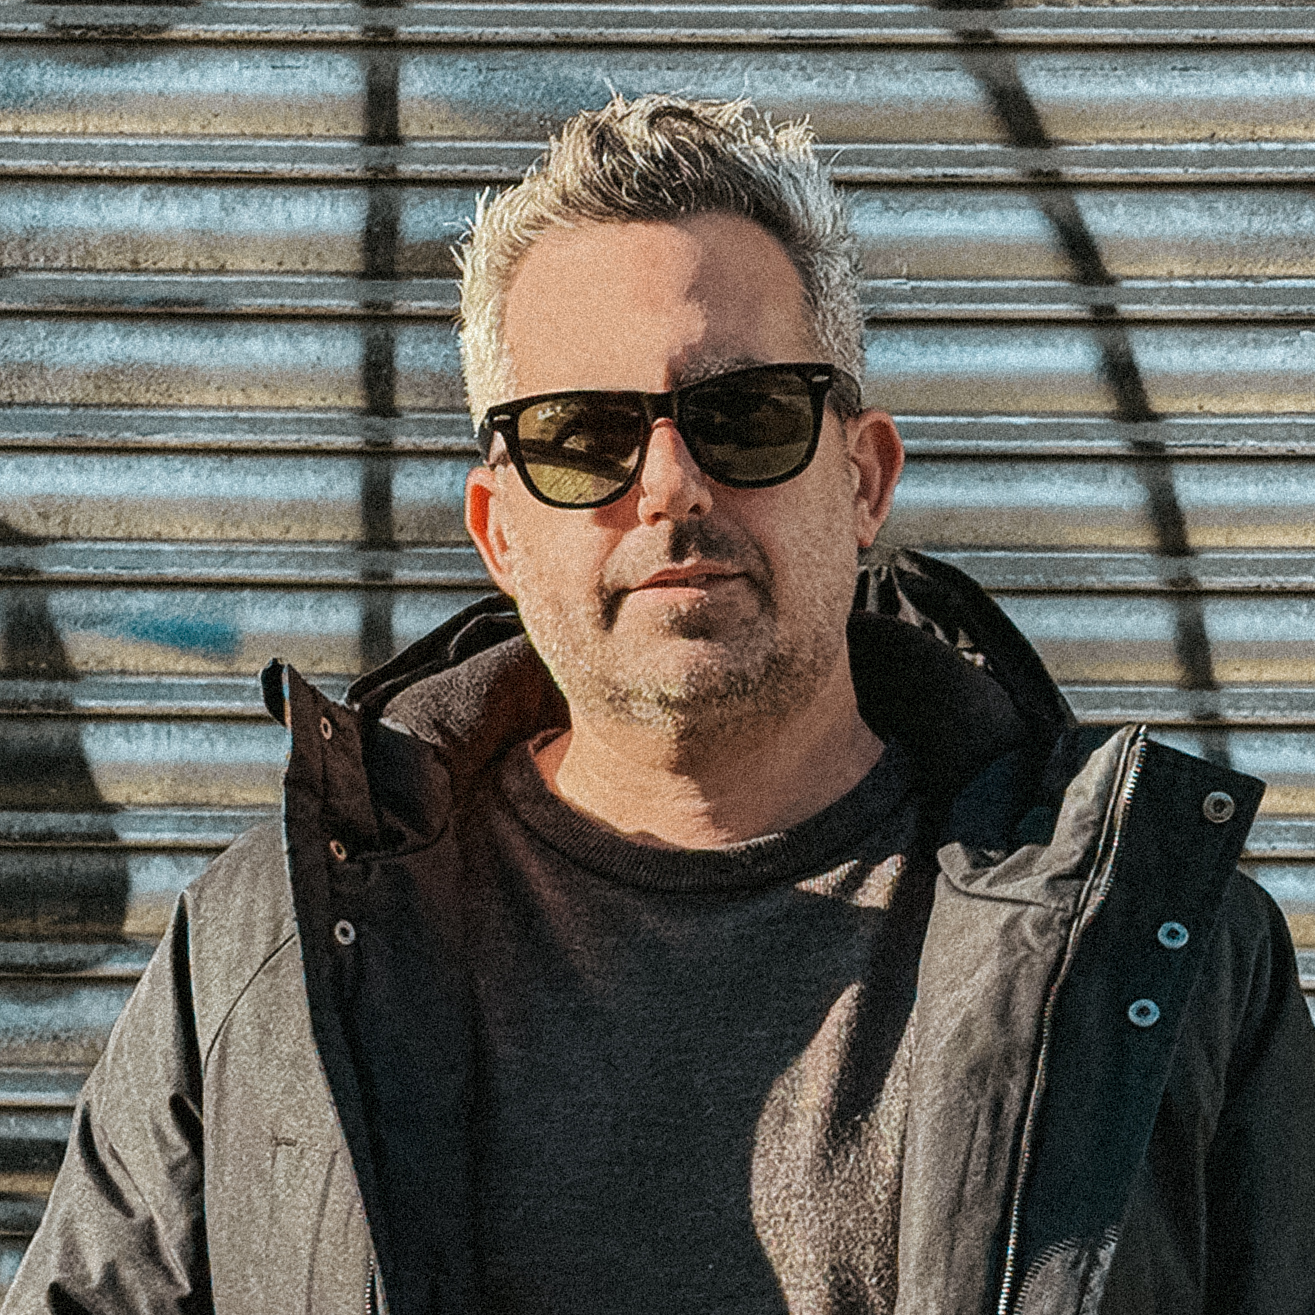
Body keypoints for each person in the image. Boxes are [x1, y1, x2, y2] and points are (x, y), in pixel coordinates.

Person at [5, 94, 1314, 1315]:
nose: (672, 486)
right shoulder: (264, 958)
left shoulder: (1162, 963)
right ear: (498, 530)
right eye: (583, 437)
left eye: (745, 416)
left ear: (863, 480)